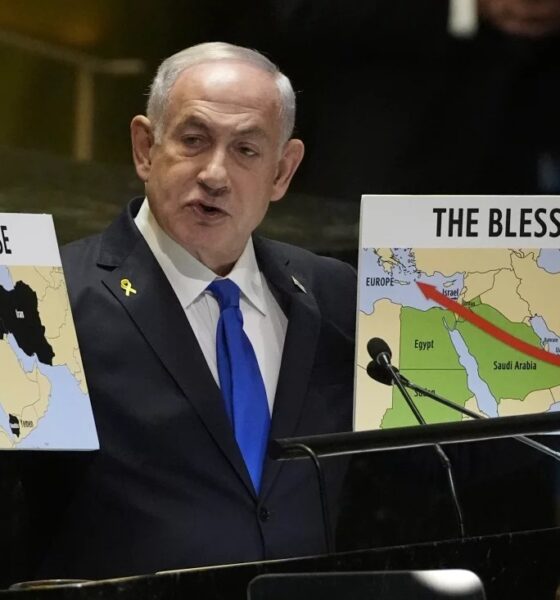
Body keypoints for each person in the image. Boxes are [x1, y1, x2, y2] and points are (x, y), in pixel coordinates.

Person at [37, 42, 356, 580]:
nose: (214, 173)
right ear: (145, 147)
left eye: (246, 151)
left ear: (283, 171)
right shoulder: (52, 298)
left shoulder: (334, 294)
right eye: (193, 140)